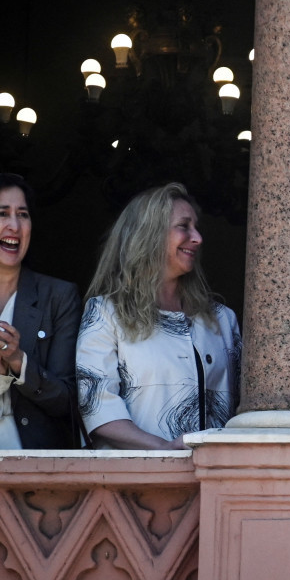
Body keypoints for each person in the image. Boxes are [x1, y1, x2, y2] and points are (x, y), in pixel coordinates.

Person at [77, 183, 241, 449]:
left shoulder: (222, 320)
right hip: (137, 479)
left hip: (215, 478)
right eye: (184, 226)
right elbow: (97, 407)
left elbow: (245, 409)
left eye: (196, 227)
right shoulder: (106, 313)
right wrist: (163, 449)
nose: (197, 237)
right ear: (150, 235)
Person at [0, 173, 81, 449]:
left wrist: (20, 364)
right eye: (2, 213)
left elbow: (69, 400)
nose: (14, 226)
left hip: (32, 469)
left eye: (23, 214)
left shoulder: (59, 297)